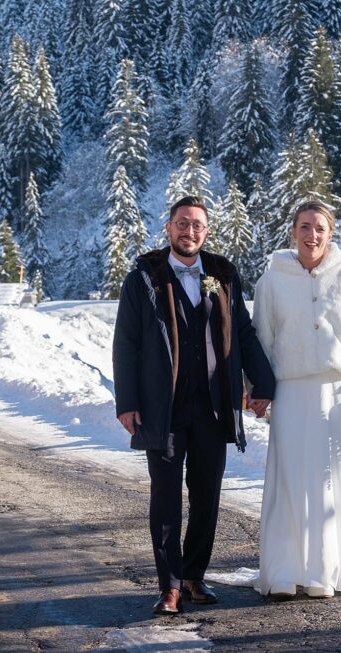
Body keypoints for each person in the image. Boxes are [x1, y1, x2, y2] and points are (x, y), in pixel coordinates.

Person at [113, 195, 276, 616]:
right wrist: (127, 401)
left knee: (207, 495)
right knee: (165, 496)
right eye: (182, 224)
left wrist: (264, 382)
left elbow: (243, 332)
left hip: (212, 405)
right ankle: (168, 586)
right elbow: (125, 344)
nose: (189, 232)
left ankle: (193, 576)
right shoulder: (144, 278)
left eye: (197, 226)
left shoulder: (222, 274)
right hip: (161, 407)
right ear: (168, 229)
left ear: (206, 232)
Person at [251, 200, 341, 599]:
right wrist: (257, 389)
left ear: (331, 234)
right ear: (293, 231)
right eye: (305, 226)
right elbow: (262, 337)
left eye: (320, 228)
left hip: (339, 392)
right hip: (291, 390)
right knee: (291, 477)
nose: (312, 235)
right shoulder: (272, 279)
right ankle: (282, 570)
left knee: (332, 480)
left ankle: (324, 572)